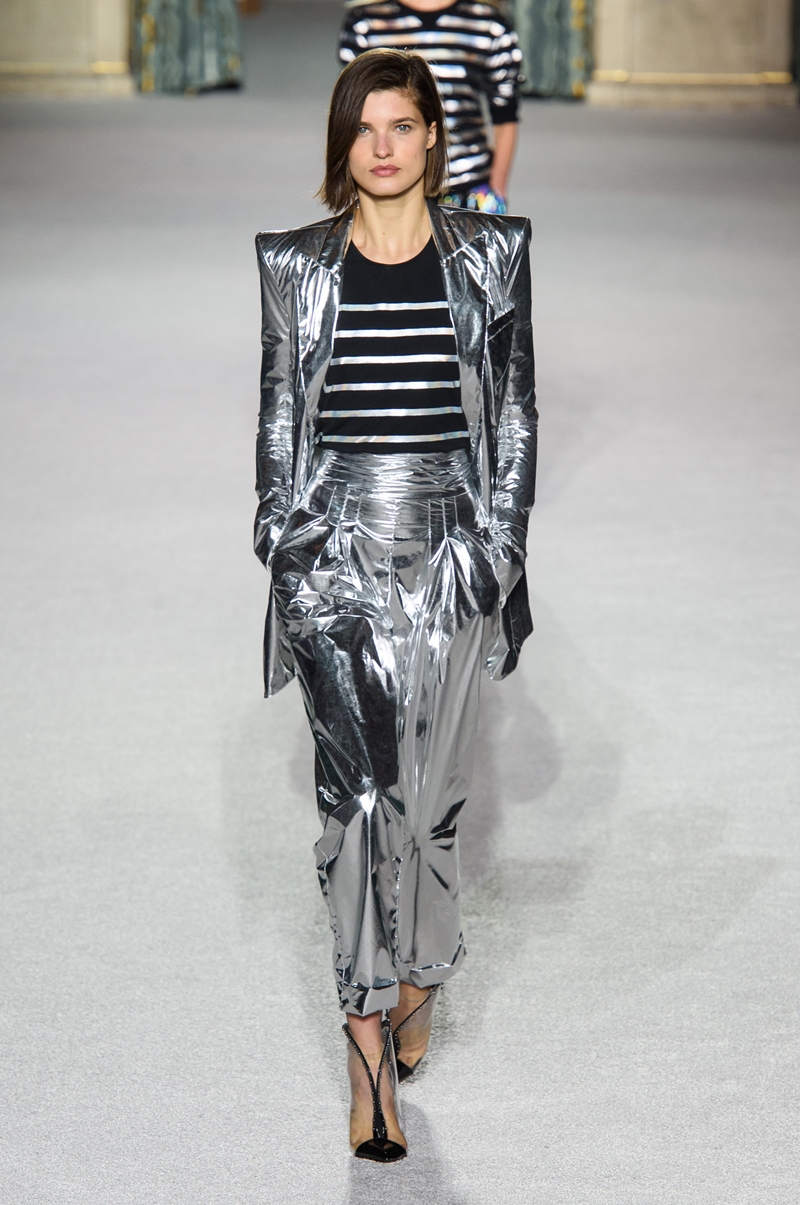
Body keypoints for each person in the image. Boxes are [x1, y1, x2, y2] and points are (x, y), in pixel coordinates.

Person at [254, 48, 536, 1162]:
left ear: (431, 137)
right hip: (332, 549)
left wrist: (496, 550)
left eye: (401, 126)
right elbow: (279, 413)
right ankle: (365, 1036)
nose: (382, 146)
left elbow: (513, 410)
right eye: (363, 128)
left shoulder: (492, 255)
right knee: (360, 800)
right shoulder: (295, 264)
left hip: (451, 543)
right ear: (343, 143)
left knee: (428, 808)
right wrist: (282, 542)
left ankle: (423, 971)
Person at [339, 0, 522, 211]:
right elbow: (352, 112)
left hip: (470, 188)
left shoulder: (489, 25)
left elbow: (505, 115)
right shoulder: (366, 25)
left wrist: (496, 191)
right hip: (391, 187)